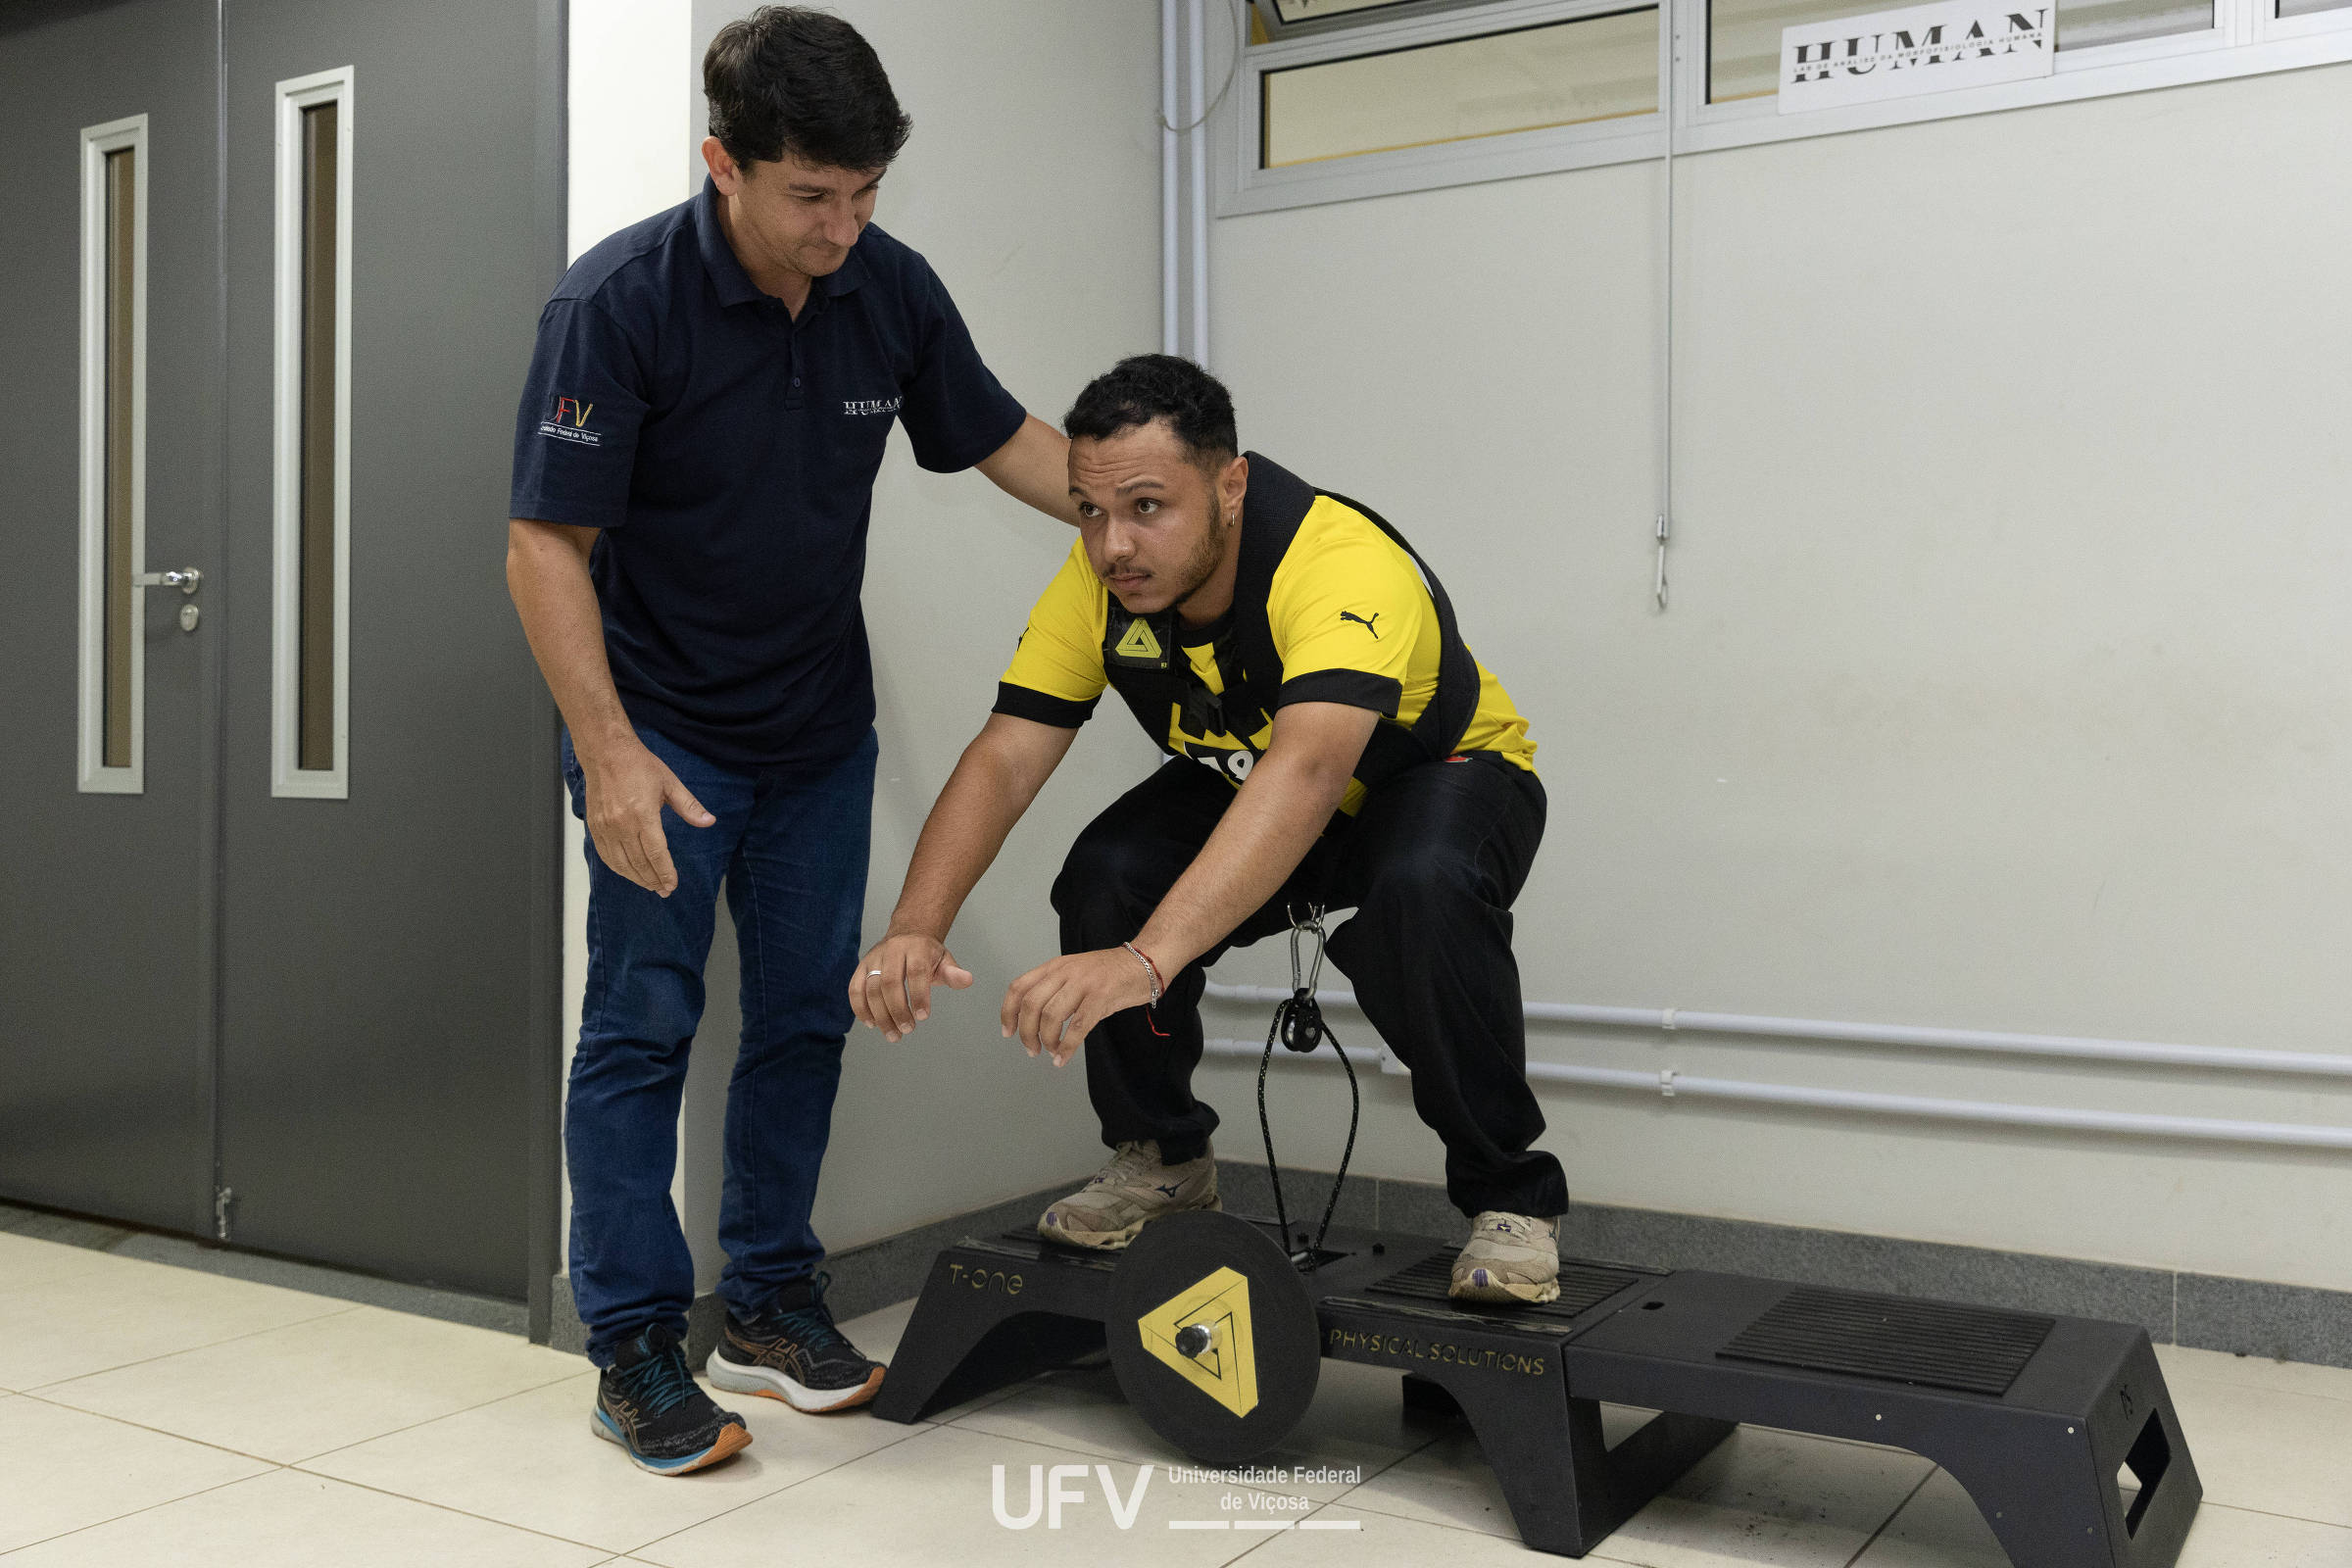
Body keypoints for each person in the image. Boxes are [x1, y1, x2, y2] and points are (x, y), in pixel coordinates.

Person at [506, 8, 1073, 1476]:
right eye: (813, 197)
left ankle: (765, 1295)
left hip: (818, 724)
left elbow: (1005, 436)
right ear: (725, 167)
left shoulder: (890, 289)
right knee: (640, 1027)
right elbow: (545, 547)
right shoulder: (618, 304)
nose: (844, 226)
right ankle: (632, 1339)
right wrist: (612, 759)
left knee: (807, 1015)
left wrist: (1156, 510)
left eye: (867, 194)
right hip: (663, 733)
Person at [850, 354, 1569, 1307]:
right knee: (1107, 872)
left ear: (1229, 485)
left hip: (1437, 777)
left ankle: (1511, 1201)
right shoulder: (1100, 581)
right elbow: (1009, 753)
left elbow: (1311, 767)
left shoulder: (1338, 564)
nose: (1113, 545)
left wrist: (1144, 963)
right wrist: (914, 923)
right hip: (1255, 782)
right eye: (1092, 510)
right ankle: (1164, 1159)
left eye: (1148, 507)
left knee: (1421, 887)